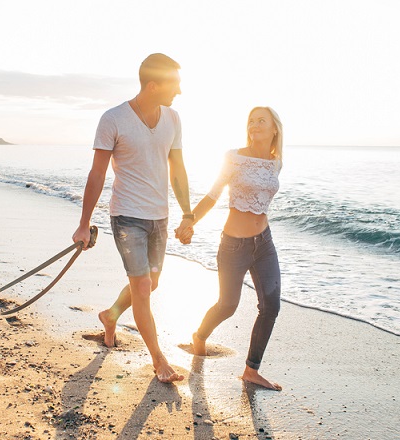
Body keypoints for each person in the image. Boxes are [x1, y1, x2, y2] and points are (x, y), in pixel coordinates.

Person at [72, 53, 192, 383]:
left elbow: (177, 169)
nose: (179, 91)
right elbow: (96, 175)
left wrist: (188, 213)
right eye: (175, 84)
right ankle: (159, 360)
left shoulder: (173, 118)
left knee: (150, 285)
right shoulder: (113, 119)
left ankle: (110, 316)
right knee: (141, 286)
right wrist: (84, 224)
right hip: (127, 218)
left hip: (160, 218)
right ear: (153, 85)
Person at [175, 106, 284, 390]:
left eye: (262, 120)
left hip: (265, 244)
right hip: (234, 246)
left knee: (270, 306)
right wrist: (190, 220)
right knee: (228, 305)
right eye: (251, 120)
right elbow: (213, 195)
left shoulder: (276, 162)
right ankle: (200, 335)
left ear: (275, 129)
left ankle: (251, 370)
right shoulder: (233, 158)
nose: (255, 124)